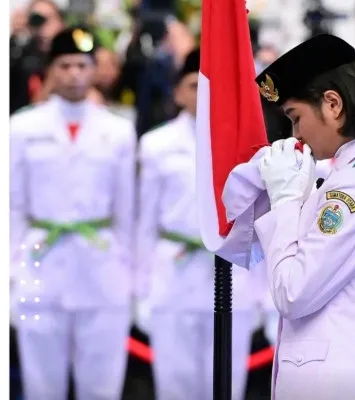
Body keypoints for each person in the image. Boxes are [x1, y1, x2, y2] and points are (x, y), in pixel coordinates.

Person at [252, 33, 355, 399]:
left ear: (333, 104)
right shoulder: (350, 172)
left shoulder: (353, 186)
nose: (296, 135)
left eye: (296, 117)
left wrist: (287, 201)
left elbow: (292, 292)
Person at [10, 27, 136, 400]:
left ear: (95, 69)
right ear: (51, 70)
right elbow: (13, 205)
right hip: (38, 267)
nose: (74, 74)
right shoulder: (22, 126)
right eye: (64, 65)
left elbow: (127, 210)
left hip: (101, 269)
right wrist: (9, 274)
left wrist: (131, 276)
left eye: (82, 65)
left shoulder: (119, 130)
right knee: (40, 385)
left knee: (101, 385)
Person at [136, 48, 258, 400]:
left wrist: (265, 293)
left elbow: (260, 220)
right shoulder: (156, 144)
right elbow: (145, 220)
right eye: (193, 85)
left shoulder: (246, 144)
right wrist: (142, 288)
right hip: (174, 270)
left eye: (209, 86)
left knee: (228, 384)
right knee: (175, 384)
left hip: (233, 268)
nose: (202, 94)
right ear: (177, 92)